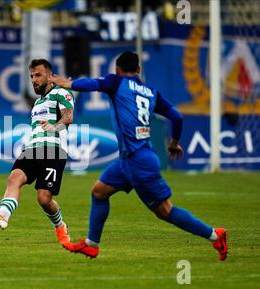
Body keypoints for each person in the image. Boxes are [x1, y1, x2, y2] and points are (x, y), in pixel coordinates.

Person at [49, 51, 228, 260]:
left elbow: (92, 84)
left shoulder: (115, 82)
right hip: (130, 158)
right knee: (99, 191)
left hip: (138, 161)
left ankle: (216, 236)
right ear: (139, 70)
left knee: (165, 211)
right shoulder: (151, 91)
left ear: (117, 69)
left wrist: (66, 83)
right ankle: (92, 244)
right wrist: (175, 143)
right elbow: (177, 117)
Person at [0, 59, 75, 246]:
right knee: (15, 177)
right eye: (31, 76)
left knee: (44, 198)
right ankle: (2, 216)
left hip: (53, 151)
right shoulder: (38, 102)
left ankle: (61, 226)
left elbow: (68, 117)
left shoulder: (62, 93)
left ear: (49, 75)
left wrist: (54, 126)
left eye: (38, 75)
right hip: (32, 149)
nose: (33, 80)